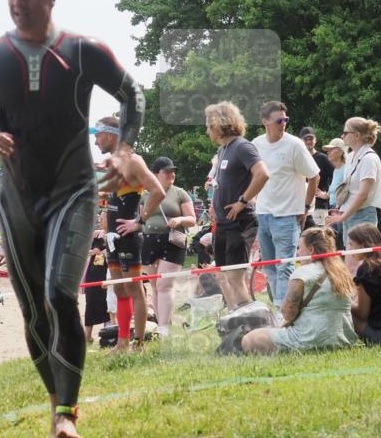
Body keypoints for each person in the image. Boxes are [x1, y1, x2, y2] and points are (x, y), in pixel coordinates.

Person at [0, 0, 144, 438]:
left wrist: (123, 150)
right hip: (17, 197)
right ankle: (56, 406)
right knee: (34, 309)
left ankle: (67, 414)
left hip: (72, 190)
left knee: (59, 294)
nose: (19, 3)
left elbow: (132, 93)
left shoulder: (83, 50)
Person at [93, 116, 165, 351]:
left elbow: (158, 191)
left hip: (129, 237)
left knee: (134, 289)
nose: (95, 141)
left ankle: (139, 342)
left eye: (98, 136)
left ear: (110, 135)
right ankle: (122, 341)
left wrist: (139, 221)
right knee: (119, 288)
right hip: (112, 237)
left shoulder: (134, 161)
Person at [240, 227, 356, 353]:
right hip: (343, 340)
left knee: (250, 339)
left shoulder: (302, 273)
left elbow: (288, 313)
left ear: (311, 250)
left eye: (300, 248)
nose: (298, 253)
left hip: (309, 339)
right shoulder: (343, 272)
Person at [252, 102, 320, 309]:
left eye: (286, 120)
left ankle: (284, 313)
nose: (283, 124)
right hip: (262, 214)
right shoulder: (256, 144)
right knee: (270, 268)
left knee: (285, 267)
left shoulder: (295, 145)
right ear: (265, 122)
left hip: (288, 216)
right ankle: (278, 308)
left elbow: (314, 176)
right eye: (279, 120)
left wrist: (306, 207)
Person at [206, 101, 270, 309]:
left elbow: (262, 174)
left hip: (240, 221)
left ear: (219, 124)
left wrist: (242, 201)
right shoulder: (223, 150)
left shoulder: (243, 146)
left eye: (209, 125)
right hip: (222, 223)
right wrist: (214, 205)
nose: (207, 131)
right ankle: (235, 316)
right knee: (223, 275)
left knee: (235, 276)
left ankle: (248, 319)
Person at [141, 156, 196, 337]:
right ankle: (162, 324)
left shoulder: (180, 193)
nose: (172, 174)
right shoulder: (145, 194)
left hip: (173, 241)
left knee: (164, 284)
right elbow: (141, 219)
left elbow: (192, 219)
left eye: (173, 171)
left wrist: (180, 219)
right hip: (149, 240)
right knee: (155, 285)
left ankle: (163, 327)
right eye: (167, 171)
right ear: (156, 174)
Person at [326, 117, 381, 237]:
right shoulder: (350, 157)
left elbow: (363, 195)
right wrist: (342, 209)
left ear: (357, 135)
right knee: (350, 249)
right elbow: (352, 190)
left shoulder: (369, 158)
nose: (342, 136)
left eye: (345, 133)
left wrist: (342, 216)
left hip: (363, 216)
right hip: (350, 215)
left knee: (360, 249)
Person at [300, 126, 333, 228]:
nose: (308, 142)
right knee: (300, 233)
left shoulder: (323, 158)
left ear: (315, 140)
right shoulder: (298, 158)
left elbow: (336, 178)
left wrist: (327, 194)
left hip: (319, 204)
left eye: (311, 139)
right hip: (301, 203)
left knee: (319, 232)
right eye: (306, 139)